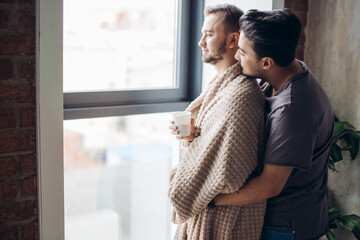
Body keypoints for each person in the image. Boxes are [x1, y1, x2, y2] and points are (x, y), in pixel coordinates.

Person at [213, 9, 334, 240]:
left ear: (267, 62)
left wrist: (212, 199)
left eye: (242, 52)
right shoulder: (291, 69)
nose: (237, 57)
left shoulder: (293, 110)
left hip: (287, 228)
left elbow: (270, 185)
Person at [168, 4, 266, 240]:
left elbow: (228, 171)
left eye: (209, 35)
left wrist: (195, 150)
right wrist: (193, 137)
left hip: (225, 221)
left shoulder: (241, 95)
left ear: (233, 40)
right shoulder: (220, 88)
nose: (201, 42)